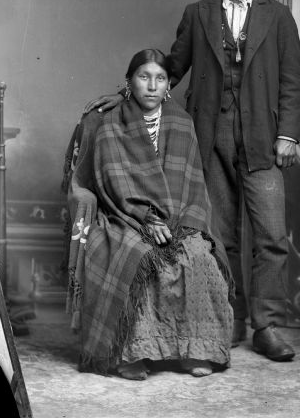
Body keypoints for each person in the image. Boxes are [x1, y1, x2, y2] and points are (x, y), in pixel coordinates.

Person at [83, 0, 300, 362]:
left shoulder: (278, 15)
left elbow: (292, 81)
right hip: (209, 134)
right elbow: (172, 67)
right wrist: (127, 92)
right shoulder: (198, 12)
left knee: (272, 235)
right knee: (219, 234)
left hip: (263, 135)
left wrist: (287, 135)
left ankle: (268, 325)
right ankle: (229, 318)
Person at [62, 49, 234, 380]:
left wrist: (177, 223)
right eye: (144, 77)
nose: (152, 86)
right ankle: (130, 354)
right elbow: (110, 182)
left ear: (169, 85)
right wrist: (145, 218)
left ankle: (196, 349)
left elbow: (192, 184)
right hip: (124, 216)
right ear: (129, 83)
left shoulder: (182, 122)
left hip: (178, 217)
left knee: (198, 255)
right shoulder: (110, 123)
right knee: (134, 254)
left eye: (160, 78)